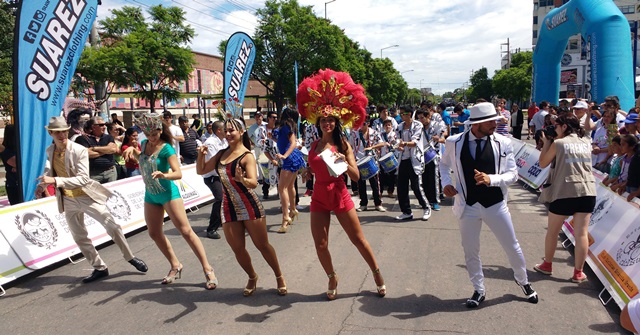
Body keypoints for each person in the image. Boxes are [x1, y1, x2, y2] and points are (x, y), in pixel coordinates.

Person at [296, 68, 386, 300]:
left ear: (336, 122)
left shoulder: (344, 145)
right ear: (319, 122)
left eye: (331, 120)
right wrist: (307, 171)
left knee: (357, 239)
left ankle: (376, 273)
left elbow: (356, 177)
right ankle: (332, 277)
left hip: (339, 195)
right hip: (319, 197)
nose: (327, 123)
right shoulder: (314, 146)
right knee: (321, 244)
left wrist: (345, 162)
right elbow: (313, 169)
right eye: (324, 120)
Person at [439, 102, 538, 308]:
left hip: (495, 204)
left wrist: (491, 179)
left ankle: (523, 281)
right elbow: (444, 163)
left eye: (495, 120)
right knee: (470, 249)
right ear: (476, 124)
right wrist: (447, 183)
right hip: (468, 204)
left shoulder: (503, 142)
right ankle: (479, 289)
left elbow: (513, 174)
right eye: (490, 121)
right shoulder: (454, 142)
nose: (496, 123)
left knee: (512, 245)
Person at [37, 116, 148, 283]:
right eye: (58, 133)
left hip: (86, 195)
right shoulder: (50, 151)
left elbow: (82, 179)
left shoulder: (78, 150)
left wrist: (55, 181)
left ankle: (130, 257)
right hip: (68, 199)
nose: (62, 135)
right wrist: (42, 186)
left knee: (112, 226)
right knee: (79, 236)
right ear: (51, 133)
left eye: (64, 132)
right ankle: (99, 268)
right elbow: (51, 172)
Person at [122, 113, 218, 290]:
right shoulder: (143, 145)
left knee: (186, 231)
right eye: (148, 134)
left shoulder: (167, 148)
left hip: (168, 192)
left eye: (155, 134)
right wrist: (132, 151)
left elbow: (178, 173)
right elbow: (144, 162)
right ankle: (175, 264)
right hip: (151, 194)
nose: (151, 138)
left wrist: (164, 175)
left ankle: (207, 268)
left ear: (160, 130)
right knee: (154, 233)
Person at [197, 118, 287, 296]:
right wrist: (201, 153)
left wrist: (241, 179)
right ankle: (252, 276)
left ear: (242, 132)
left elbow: (253, 183)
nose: (228, 133)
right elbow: (201, 171)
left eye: (232, 130)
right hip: (228, 207)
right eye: (226, 130)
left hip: (249, 205)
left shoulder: (246, 156)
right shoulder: (221, 154)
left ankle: (279, 276)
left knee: (262, 245)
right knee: (237, 248)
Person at [534, 114, 597, 283]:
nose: (554, 129)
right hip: (588, 191)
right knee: (581, 233)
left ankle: (547, 265)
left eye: (556, 126)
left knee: (553, 232)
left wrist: (547, 141)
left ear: (564, 127)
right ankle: (578, 272)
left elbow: (542, 163)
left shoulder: (559, 143)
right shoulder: (586, 142)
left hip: (565, 191)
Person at [395, 105, 431, 221]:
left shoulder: (417, 125)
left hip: (414, 159)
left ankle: (426, 207)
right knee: (401, 187)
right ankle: (406, 212)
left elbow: (415, 142)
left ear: (409, 114)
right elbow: (396, 139)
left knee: (416, 186)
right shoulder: (400, 126)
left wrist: (404, 144)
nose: (401, 116)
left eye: (402, 114)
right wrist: (398, 146)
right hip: (403, 159)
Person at [274, 108, 306, 233]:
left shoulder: (286, 125)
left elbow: (292, 143)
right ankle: (292, 209)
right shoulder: (288, 125)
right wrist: (275, 140)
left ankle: (285, 216)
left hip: (290, 158)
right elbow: (285, 142)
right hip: (293, 157)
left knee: (282, 188)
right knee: (290, 186)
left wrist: (285, 156)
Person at [351, 116, 386, 212]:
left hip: (371, 160)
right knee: (361, 184)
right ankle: (363, 204)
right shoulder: (355, 133)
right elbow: (350, 145)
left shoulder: (374, 133)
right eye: (360, 124)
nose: (361, 126)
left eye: (364, 124)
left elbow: (382, 143)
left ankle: (378, 203)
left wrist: (372, 147)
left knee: (375, 184)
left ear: (368, 124)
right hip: (359, 160)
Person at [201, 120, 227, 240]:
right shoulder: (210, 142)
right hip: (212, 176)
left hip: (221, 175)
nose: (227, 132)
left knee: (228, 198)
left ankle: (225, 220)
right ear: (219, 130)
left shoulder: (224, 140)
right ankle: (211, 229)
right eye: (225, 129)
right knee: (220, 199)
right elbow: (214, 162)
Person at [418, 108, 446, 211]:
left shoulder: (436, 125)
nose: (421, 120)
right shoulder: (419, 127)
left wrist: (439, 139)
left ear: (428, 117)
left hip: (434, 154)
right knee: (424, 179)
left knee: (433, 178)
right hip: (422, 155)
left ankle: (435, 201)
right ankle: (426, 200)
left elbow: (444, 136)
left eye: (422, 118)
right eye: (419, 118)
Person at [75, 116, 118, 184]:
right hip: (93, 174)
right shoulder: (82, 139)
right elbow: (86, 154)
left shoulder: (108, 137)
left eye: (105, 125)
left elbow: (113, 150)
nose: (104, 127)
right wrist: (106, 150)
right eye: (101, 125)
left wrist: (94, 148)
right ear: (93, 127)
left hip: (110, 172)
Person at [257, 110, 279, 199]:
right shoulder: (262, 129)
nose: (275, 119)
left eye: (276, 117)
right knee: (266, 173)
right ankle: (265, 191)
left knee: (278, 172)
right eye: (273, 117)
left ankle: (279, 190)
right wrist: (263, 141)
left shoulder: (277, 128)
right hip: (266, 153)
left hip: (276, 153)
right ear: (269, 118)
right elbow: (257, 141)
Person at [378, 119, 399, 197]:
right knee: (381, 176)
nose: (387, 127)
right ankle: (380, 192)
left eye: (389, 125)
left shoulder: (395, 134)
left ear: (391, 126)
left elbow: (397, 144)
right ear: (383, 127)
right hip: (383, 157)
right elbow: (379, 143)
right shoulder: (381, 134)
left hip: (392, 157)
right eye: (386, 125)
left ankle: (390, 191)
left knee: (392, 175)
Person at [1, 125, 20, 205]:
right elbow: (17, 163)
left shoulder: (19, 148)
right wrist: (18, 167)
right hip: (13, 184)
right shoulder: (6, 151)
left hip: (16, 183)